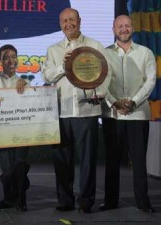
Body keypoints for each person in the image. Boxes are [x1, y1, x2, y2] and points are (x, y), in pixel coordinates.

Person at [41, 8, 110, 213]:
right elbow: (46, 76)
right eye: (64, 21)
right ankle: (65, 200)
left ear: (80, 21)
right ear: (60, 24)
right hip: (61, 112)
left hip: (86, 110)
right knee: (62, 160)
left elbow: (106, 73)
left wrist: (102, 94)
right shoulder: (54, 50)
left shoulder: (94, 45)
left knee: (88, 160)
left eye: (71, 19)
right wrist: (64, 65)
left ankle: (86, 201)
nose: (68, 24)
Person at [100, 15, 156, 213]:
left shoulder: (145, 52)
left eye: (127, 26)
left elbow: (150, 82)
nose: (124, 29)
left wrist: (133, 102)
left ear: (133, 28)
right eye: (120, 26)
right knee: (112, 160)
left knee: (139, 161)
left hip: (138, 114)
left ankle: (143, 202)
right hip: (112, 115)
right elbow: (100, 82)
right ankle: (110, 201)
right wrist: (113, 102)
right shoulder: (103, 54)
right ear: (113, 29)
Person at [0, 44, 30, 211]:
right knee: (7, 169)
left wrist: (25, 84)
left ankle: (21, 200)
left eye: (13, 56)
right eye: (6, 57)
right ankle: (8, 199)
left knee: (19, 164)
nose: (11, 60)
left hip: (21, 131)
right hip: (1, 131)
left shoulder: (24, 82)